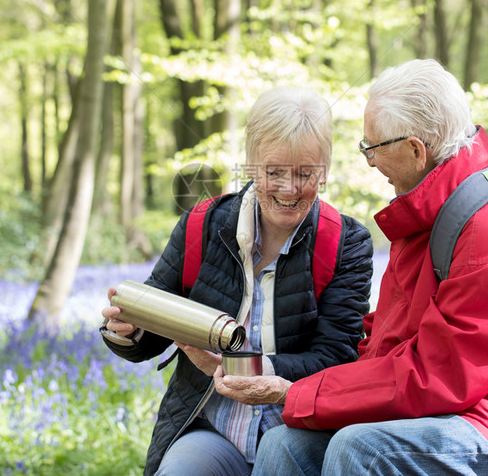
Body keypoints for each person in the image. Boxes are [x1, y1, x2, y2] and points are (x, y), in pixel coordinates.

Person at [216, 59, 488, 476]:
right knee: (286, 443)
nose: (368, 160)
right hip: (467, 409)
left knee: (362, 449)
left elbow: (436, 376)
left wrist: (293, 394)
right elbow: (386, 347)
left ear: (415, 150)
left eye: (373, 146)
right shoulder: (431, 218)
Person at [100, 87, 374, 476]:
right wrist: (127, 331)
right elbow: (154, 327)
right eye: (273, 172)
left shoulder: (346, 243)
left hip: (298, 434)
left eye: (305, 173)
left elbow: (336, 360)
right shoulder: (202, 226)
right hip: (213, 431)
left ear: (325, 170)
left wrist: (244, 367)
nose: (289, 189)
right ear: (249, 164)